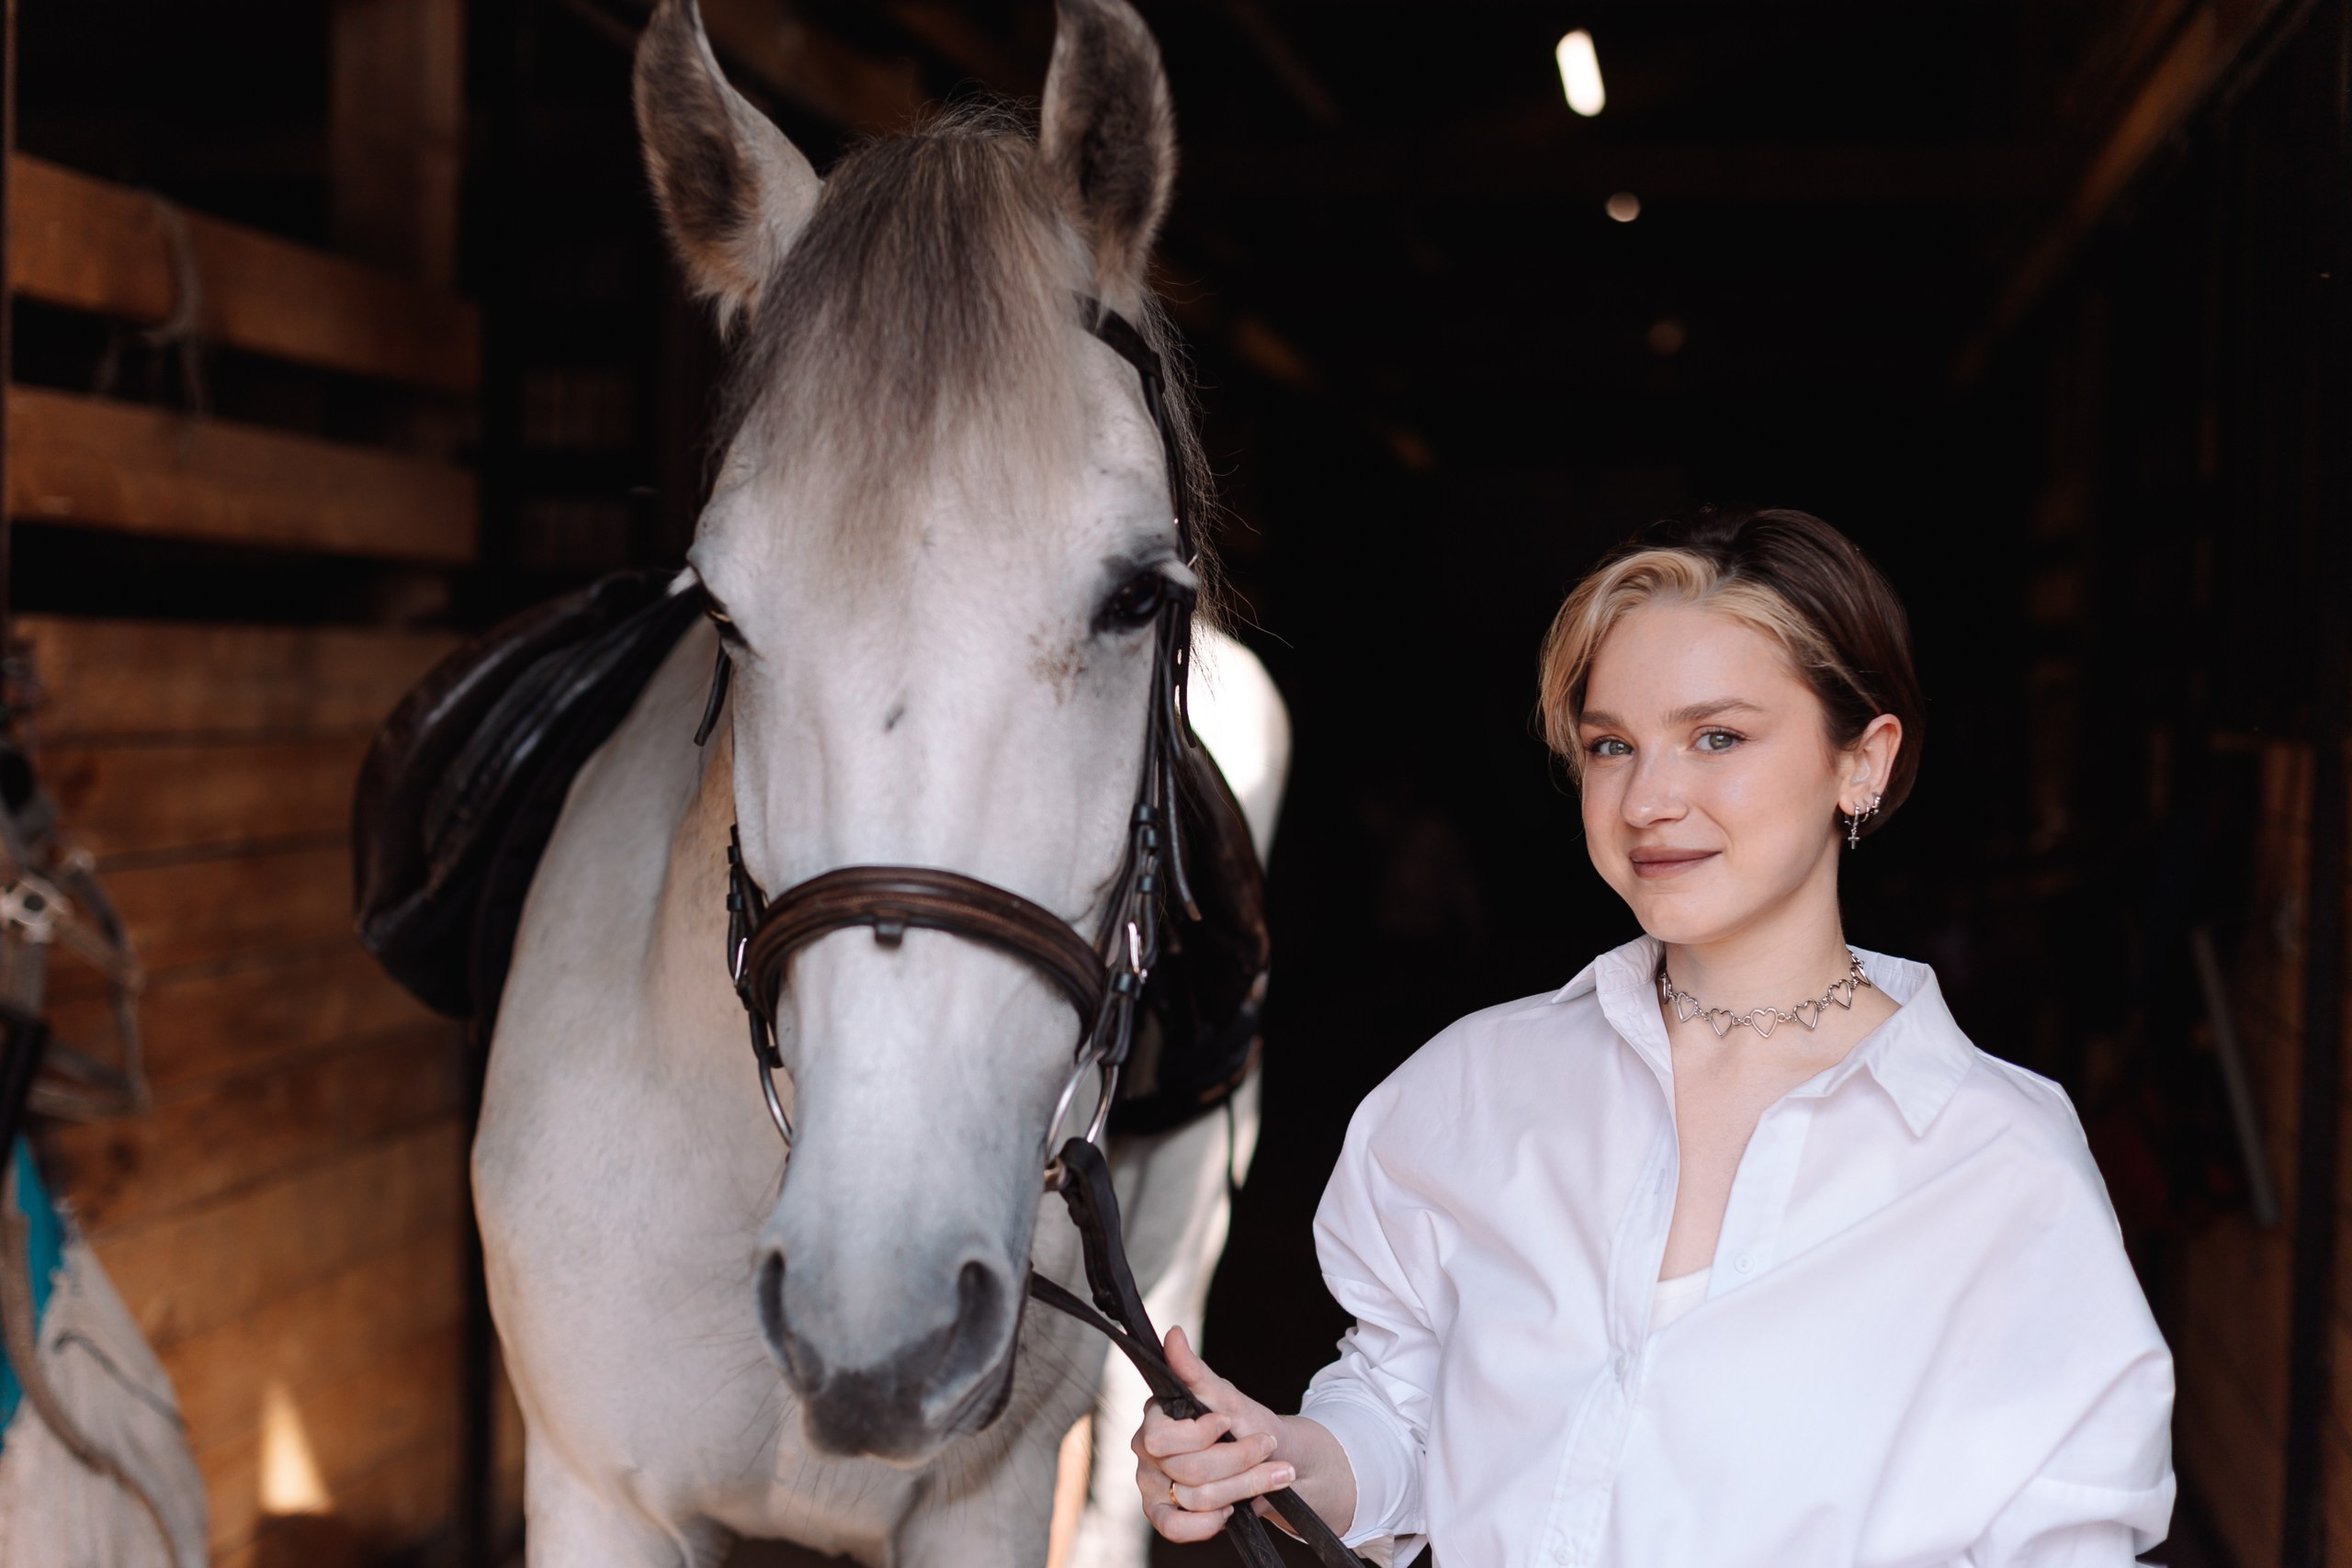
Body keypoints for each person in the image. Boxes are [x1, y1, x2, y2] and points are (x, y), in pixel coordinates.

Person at [1131, 509, 2175, 1566]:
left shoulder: (1995, 1160)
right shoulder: (1473, 1090)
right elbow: (1405, 1412)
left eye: (1716, 736)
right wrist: (1281, 1455)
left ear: (1862, 762)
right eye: (1610, 746)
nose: (1647, 799)